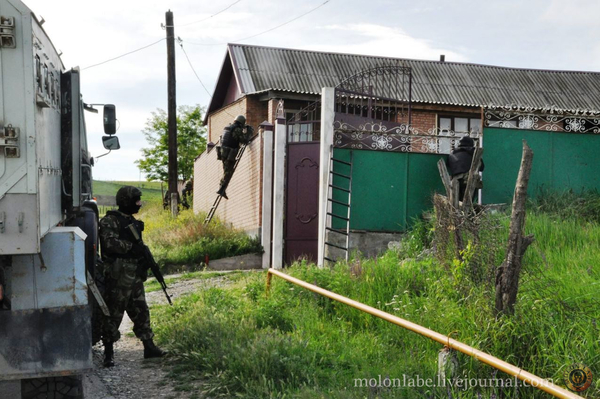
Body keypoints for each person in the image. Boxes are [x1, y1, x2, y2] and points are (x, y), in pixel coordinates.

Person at [99, 186, 166, 367]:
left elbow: (139, 247)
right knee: (114, 313)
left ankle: (149, 346)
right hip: (118, 275)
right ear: (126, 201)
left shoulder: (133, 222)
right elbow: (109, 243)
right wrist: (130, 248)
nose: (139, 204)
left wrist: (144, 262)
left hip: (133, 274)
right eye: (136, 200)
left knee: (141, 310)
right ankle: (108, 352)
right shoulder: (110, 221)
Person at [216, 115, 253, 199]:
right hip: (229, 153)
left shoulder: (227, 127)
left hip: (223, 152)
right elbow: (244, 140)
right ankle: (221, 189)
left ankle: (222, 189)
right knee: (228, 172)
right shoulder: (237, 129)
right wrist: (248, 132)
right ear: (241, 123)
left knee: (226, 170)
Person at [447, 136, 484, 202]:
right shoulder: (473, 152)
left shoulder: (452, 153)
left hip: (456, 180)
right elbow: (481, 167)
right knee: (468, 202)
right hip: (469, 180)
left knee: (457, 202)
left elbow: (449, 166)